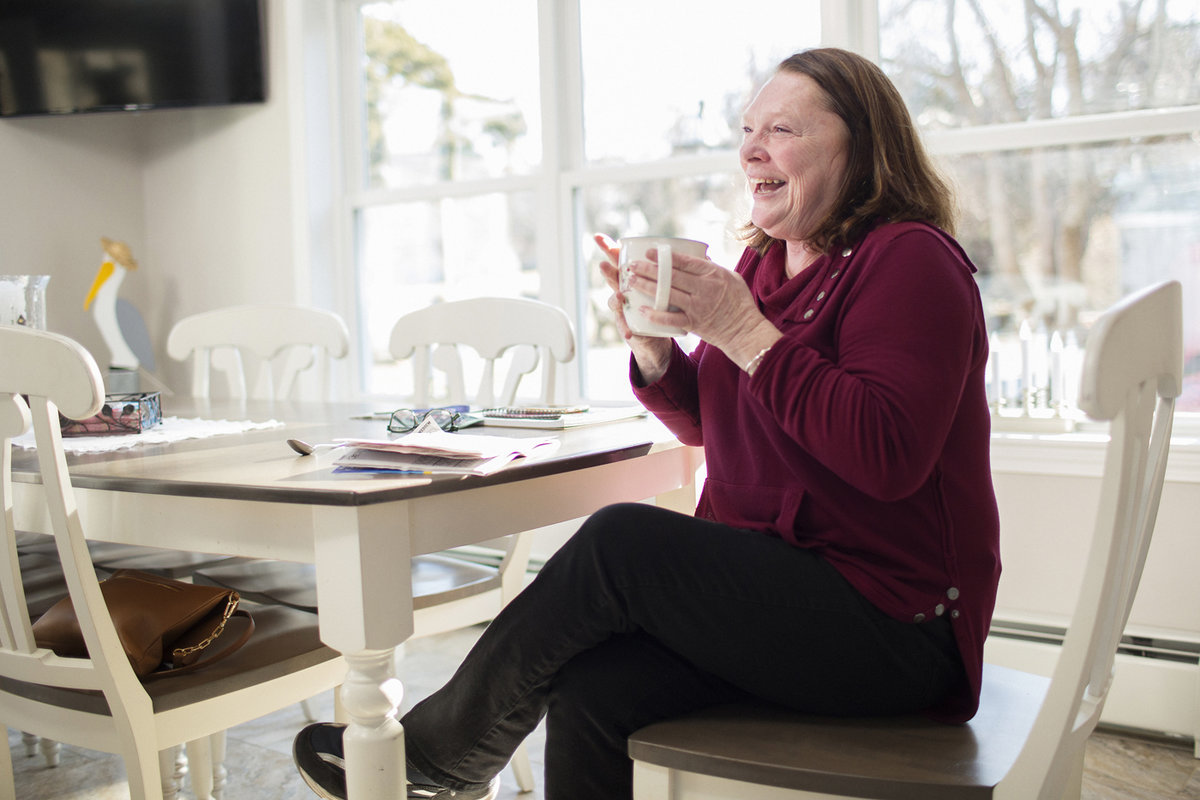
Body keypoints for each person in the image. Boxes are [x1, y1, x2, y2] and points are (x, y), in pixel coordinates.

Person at [293, 46, 1000, 800]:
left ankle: (440, 757)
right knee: (593, 685)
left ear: (862, 147)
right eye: (747, 130)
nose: (751, 150)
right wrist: (655, 350)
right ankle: (446, 764)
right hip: (779, 593)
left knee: (620, 542)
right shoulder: (764, 267)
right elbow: (713, 426)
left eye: (782, 130)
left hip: (896, 626)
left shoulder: (909, 259)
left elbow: (887, 455)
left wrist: (740, 330)